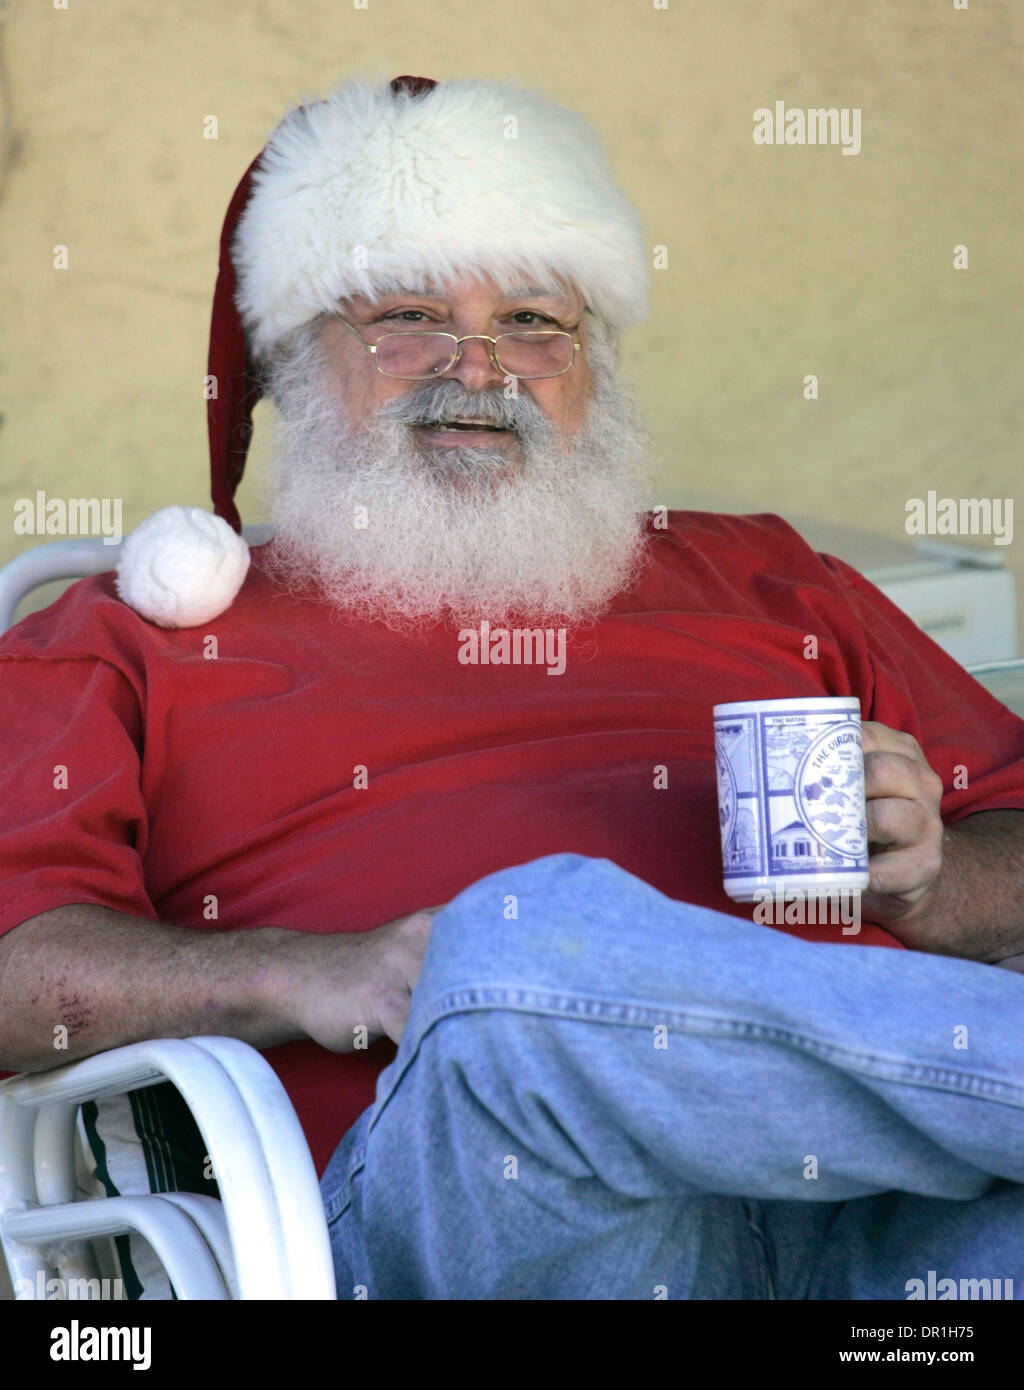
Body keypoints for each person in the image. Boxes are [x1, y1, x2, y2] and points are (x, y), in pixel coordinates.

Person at [1, 74, 1023, 1301]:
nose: (479, 367)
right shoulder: (127, 638)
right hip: (501, 1225)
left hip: (895, 1237)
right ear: (283, 361)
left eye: (537, 318)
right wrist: (300, 970)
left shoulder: (767, 573)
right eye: (410, 313)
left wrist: (935, 881)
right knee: (506, 947)